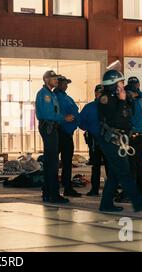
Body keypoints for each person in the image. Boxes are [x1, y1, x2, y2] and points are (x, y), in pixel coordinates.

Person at [97, 70, 142, 212]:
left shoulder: (117, 97)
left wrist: (125, 100)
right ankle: (138, 202)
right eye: (121, 82)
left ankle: (106, 204)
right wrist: (122, 100)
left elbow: (127, 116)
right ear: (114, 84)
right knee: (125, 172)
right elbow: (116, 119)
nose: (123, 84)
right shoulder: (106, 99)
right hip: (111, 140)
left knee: (115, 175)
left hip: (119, 139)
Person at [35, 71, 75, 204]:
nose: (56, 80)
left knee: (51, 161)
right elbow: (48, 114)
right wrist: (64, 118)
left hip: (52, 127)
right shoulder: (45, 94)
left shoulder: (51, 94)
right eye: (54, 78)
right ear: (46, 79)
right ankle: (53, 194)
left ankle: (48, 192)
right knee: (52, 162)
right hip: (49, 127)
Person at [79, 84, 109, 196]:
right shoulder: (90, 107)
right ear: (95, 93)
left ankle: (105, 189)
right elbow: (80, 122)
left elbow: (81, 123)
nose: (100, 95)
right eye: (98, 93)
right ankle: (97, 189)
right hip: (97, 141)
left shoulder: (106, 106)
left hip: (104, 140)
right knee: (99, 166)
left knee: (105, 165)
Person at [54, 76, 81, 197]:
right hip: (60, 131)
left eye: (67, 83)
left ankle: (66, 186)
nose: (66, 85)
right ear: (58, 83)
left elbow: (74, 111)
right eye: (64, 83)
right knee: (57, 161)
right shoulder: (55, 97)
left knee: (67, 161)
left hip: (67, 131)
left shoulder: (65, 97)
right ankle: (57, 186)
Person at [125, 80, 142, 199]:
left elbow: (128, 119)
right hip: (141, 134)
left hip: (134, 136)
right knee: (141, 164)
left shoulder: (134, 103)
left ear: (131, 93)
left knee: (133, 165)